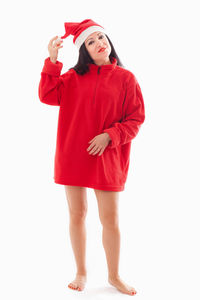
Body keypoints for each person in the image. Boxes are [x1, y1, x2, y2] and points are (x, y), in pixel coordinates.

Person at [38, 19, 145, 296]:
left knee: (110, 219)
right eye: (91, 41)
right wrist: (52, 60)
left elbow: (136, 118)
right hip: (72, 153)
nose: (99, 43)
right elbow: (47, 95)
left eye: (101, 37)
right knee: (77, 214)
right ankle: (81, 272)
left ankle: (114, 275)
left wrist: (110, 135)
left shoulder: (126, 79)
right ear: (84, 50)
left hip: (107, 157)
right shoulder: (72, 78)